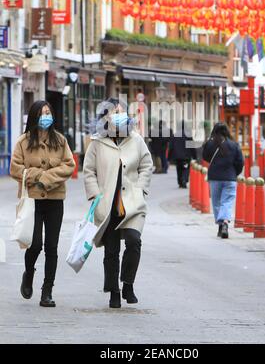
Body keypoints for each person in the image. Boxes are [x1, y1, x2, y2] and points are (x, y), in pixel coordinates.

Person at [83, 98, 153, 308]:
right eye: (115, 111)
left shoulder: (136, 139)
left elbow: (146, 165)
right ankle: (113, 290)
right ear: (106, 116)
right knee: (111, 250)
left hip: (132, 203)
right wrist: (96, 195)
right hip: (108, 204)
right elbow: (89, 171)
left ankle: (128, 283)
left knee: (134, 241)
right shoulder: (97, 142)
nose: (119, 114)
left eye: (122, 110)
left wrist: (140, 189)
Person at [10, 101, 75, 307]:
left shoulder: (61, 140)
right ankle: (28, 274)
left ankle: (47, 291)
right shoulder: (23, 141)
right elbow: (15, 168)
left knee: (52, 247)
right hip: (33, 200)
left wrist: (47, 177)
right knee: (35, 243)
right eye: (41, 113)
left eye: (48, 112)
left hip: (55, 200)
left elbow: (69, 165)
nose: (46, 116)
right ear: (34, 117)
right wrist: (35, 175)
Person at [202, 122, 244, 239]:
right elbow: (240, 162)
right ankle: (225, 222)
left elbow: (205, 156)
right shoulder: (233, 145)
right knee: (227, 201)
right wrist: (235, 173)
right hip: (230, 177)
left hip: (215, 177)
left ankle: (220, 225)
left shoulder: (210, 144)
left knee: (216, 202)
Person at [168, 120, 197, 188]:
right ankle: (184, 179)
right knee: (186, 168)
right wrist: (194, 156)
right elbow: (192, 146)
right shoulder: (188, 135)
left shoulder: (175, 135)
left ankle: (180, 182)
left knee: (179, 169)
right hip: (186, 156)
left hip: (177, 156)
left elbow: (171, 147)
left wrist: (169, 157)